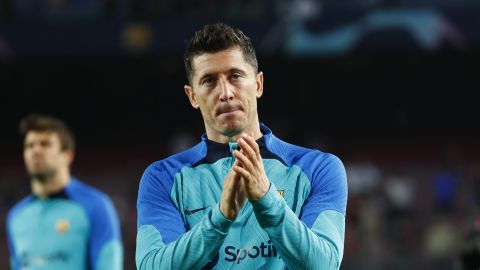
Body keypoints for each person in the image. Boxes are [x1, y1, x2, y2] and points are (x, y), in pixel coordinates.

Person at [136, 23, 348, 269]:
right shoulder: (163, 178)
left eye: (235, 76)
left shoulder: (318, 169)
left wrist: (268, 201)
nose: (225, 92)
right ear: (192, 96)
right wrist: (220, 218)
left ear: (258, 84)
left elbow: (324, 265)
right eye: (209, 81)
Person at [6, 114, 123, 270]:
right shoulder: (16, 216)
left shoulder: (95, 206)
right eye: (29, 145)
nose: (35, 150)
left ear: (67, 155)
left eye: (45, 144)